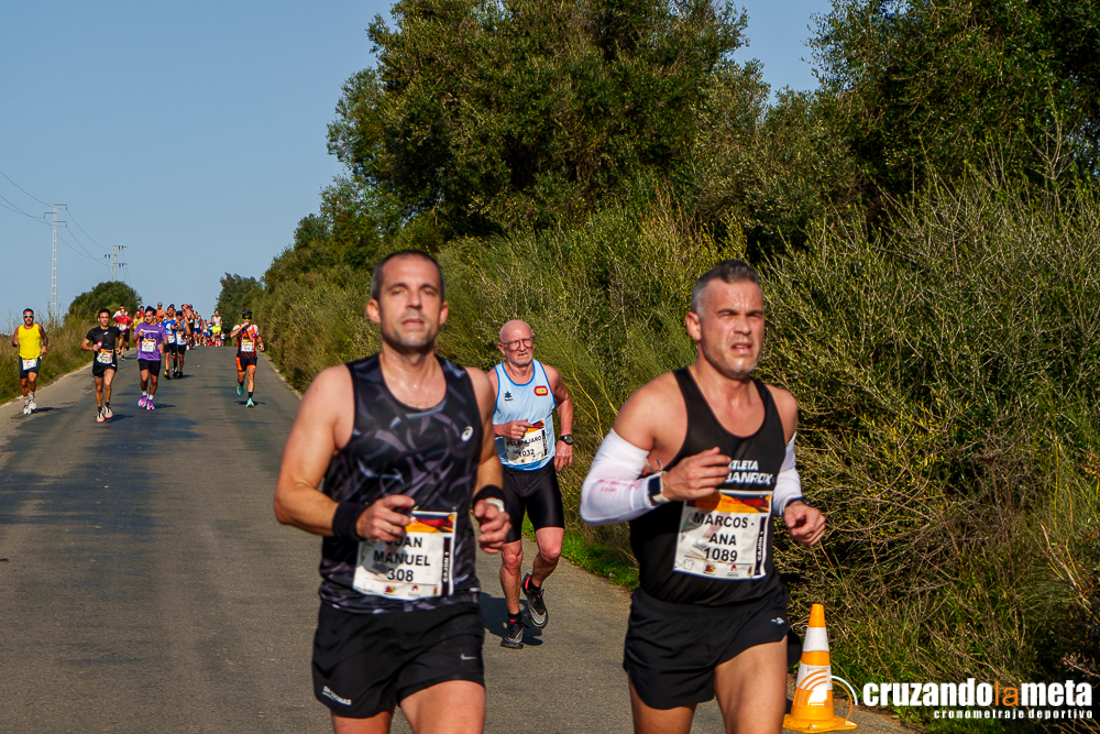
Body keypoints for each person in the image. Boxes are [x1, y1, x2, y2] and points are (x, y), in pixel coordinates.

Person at [580, 259, 826, 734]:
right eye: (727, 314)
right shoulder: (657, 404)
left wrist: (792, 505)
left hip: (753, 609)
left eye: (754, 315)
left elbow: (782, 473)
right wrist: (665, 486)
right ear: (695, 325)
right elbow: (592, 500)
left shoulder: (781, 406)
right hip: (670, 618)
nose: (744, 328)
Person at [274, 249, 511, 734]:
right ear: (374, 309)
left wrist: (490, 500)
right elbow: (289, 496)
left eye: (427, 292)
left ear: (443, 311)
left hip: (447, 610)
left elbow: (487, 457)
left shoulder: (474, 388)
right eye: (398, 291)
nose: (414, 302)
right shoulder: (337, 389)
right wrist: (357, 519)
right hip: (358, 613)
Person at [488, 319, 574, 649]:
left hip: (540, 473)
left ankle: (533, 586)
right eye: (514, 343)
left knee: (551, 551)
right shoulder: (492, 382)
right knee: (511, 557)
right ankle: (513, 621)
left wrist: (565, 438)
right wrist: (501, 429)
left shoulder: (548, 376)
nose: (522, 347)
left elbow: (565, 401)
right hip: (505, 476)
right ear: (502, 348)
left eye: (527, 340)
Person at [82, 308, 124, 423]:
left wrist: (119, 347)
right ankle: (100, 410)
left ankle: (107, 405)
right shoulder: (93, 332)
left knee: (108, 383)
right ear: (98, 319)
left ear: (109, 319)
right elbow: (83, 345)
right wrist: (91, 347)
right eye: (102, 318)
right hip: (98, 363)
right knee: (99, 388)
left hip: (111, 361)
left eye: (106, 318)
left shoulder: (114, 330)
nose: (104, 320)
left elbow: (121, 337)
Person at [12, 308, 48, 415]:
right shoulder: (19, 329)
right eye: (26, 317)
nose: (28, 318)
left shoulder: (38, 328)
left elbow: (45, 338)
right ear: (23, 318)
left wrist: (44, 347)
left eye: (30, 316)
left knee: (32, 380)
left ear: (33, 317)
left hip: (35, 357)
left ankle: (32, 396)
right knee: (23, 383)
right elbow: (14, 342)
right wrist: (14, 343)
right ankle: (26, 403)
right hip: (23, 358)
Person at [133, 306, 167, 411]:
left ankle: (151, 399)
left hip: (155, 357)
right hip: (143, 356)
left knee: (154, 380)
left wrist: (162, 344)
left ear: (154, 316)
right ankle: (144, 394)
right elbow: (133, 338)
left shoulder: (160, 327)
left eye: (149, 316)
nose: (147, 318)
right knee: (144, 378)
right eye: (146, 316)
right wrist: (138, 335)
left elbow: (165, 340)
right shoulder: (141, 326)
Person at [230, 311, 264, 407]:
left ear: (251, 319)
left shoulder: (254, 328)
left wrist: (261, 343)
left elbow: (258, 336)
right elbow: (232, 335)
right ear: (242, 318)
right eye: (245, 318)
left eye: (248, 318)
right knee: (241, 378)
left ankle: (250, 398)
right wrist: (242, 327)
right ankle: (241, 385)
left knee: (251, 376)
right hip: (241, 357)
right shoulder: (238, 327)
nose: (247, 320)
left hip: (251, 356)